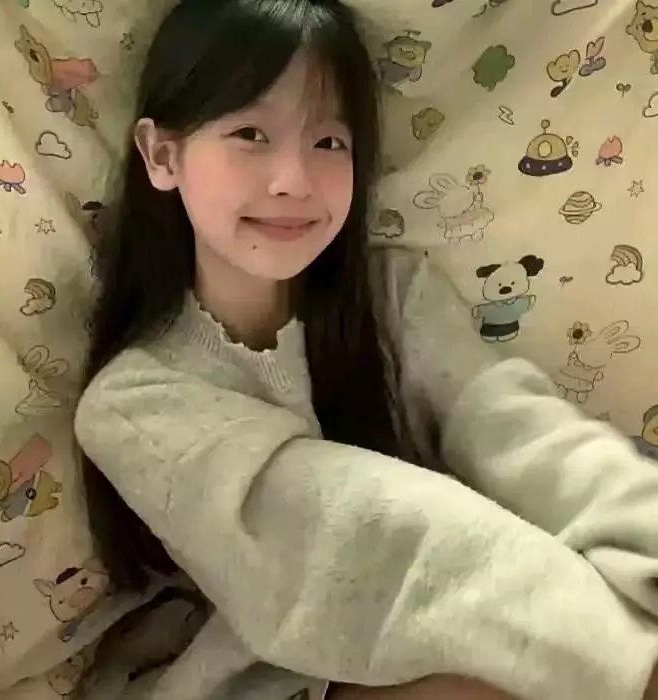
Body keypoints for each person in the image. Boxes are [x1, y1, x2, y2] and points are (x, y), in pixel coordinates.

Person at [74, 0, 658, 698]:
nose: (293, 179)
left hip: (475, 636)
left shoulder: (392, 294)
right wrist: (629, 663)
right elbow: (367, 537)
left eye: (328, 142)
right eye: (251, 133)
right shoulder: (132, 404)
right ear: (162, 155)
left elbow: (524, 433)